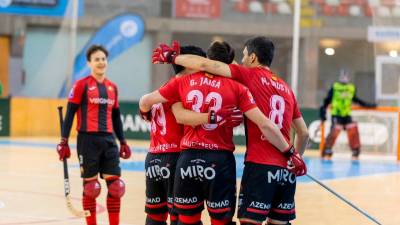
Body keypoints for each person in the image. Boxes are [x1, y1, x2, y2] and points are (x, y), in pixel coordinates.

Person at [152, 37, 309, 225]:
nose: (240, 62)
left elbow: (205, 64)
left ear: (252, 57)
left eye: (243, 57)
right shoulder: (286, 88)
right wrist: (295, 157)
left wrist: (172, 57)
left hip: (258, 165)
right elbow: (304, 133)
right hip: (285, 170)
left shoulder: (247, 77)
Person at [56, 45, 131, 225]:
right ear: (89, 63)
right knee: (91, 188)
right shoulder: (81, 85)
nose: (101, 62)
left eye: (103, 59)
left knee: (116, 187)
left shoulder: (112, 87)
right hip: (87, 140)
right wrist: (63, 141)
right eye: (97, 59)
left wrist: (123, 142)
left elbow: (116, 116)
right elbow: (70, 113)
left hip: (108, 140)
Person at [140, 45, 208, 225]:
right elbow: (182, 117)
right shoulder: (183, 86)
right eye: (201, 63)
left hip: (154, 157)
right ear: (189, 65)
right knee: (184, 217)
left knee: (156, 216)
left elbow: (144, 103)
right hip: (176, 157)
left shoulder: (164, 87)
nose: (204, 67)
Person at [319, 70, 377, 160]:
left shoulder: (351, 88)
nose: (344, 78)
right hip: (336, 114)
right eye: (343, 76)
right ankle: (327, 150)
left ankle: (355, 150)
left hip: (346, 114)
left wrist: (369, 105)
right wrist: (323, 114)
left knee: (353, 128)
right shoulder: (335, 87)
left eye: (346, 76)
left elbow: (356, 100)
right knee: (334, 130)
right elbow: (326, 101)